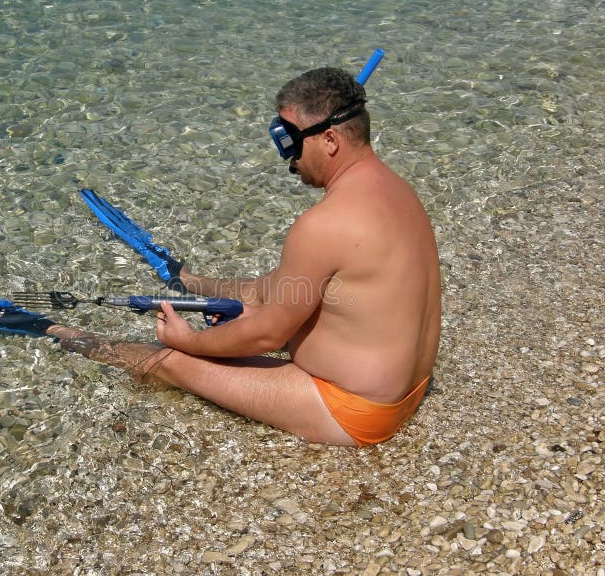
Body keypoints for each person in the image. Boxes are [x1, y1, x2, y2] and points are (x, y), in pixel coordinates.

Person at [48, 67, 441, 446]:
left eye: (289, 138)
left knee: (171, 360)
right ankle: (189, 280)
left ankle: (51, 331)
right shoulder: (399, 191)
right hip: (407, 387)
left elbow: (268, 335)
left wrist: (191, 342)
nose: (286, 156)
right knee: (273, 288)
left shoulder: (324, 225)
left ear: (331, 140)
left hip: (353, 408)